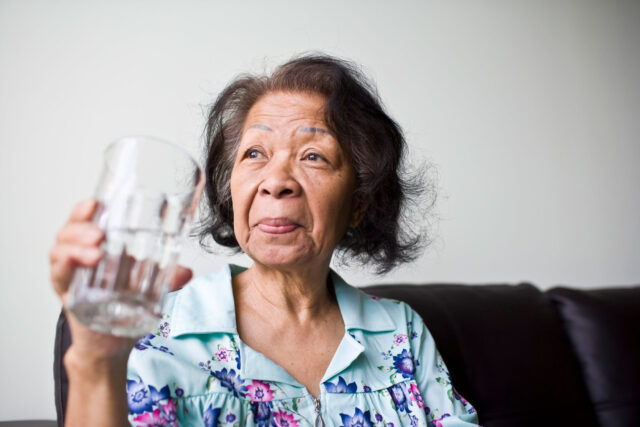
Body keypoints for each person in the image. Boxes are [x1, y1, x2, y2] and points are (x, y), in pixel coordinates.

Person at [50, 54, 479, 426]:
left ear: (359, 203)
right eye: (254, 153)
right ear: (231, 188)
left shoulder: (402, 331)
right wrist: (96, 363)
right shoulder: (149, 326)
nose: (276, 182)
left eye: (314, 156)